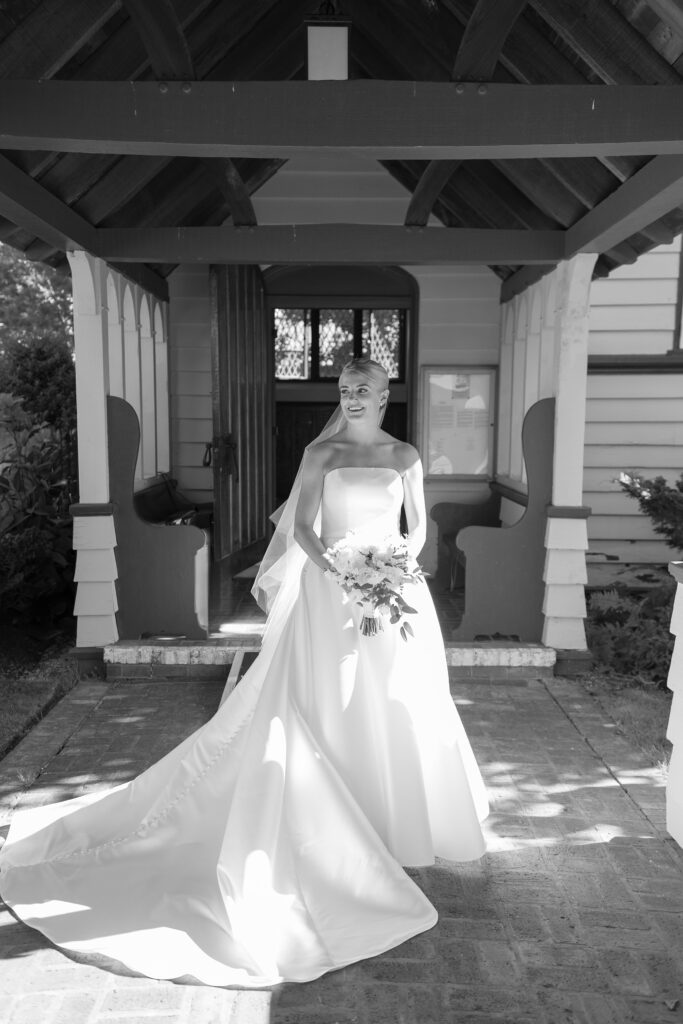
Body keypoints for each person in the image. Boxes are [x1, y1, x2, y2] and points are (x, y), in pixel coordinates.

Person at [0, 356, 488, 988]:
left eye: (365, 388)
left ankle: (389, 827)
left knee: (394, 701)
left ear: (386, 392)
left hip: (394, 593)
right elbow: (304, 530)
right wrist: (344, 569)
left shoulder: (405, 456)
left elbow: (419, 524)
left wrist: (396, 562)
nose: (355, 397)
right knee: (330, 703)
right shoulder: (322, 455)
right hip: (331, 591)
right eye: (346, 390)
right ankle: (333, 837)